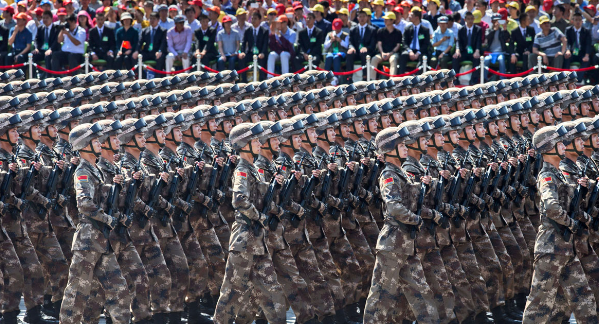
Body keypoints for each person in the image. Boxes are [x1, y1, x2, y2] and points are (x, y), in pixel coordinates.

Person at [363, 125, 440, 324]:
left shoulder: (401, 173)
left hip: (407, 244)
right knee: (381, 297)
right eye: (401, 145)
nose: (406, 148)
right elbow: (394, 207)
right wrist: (416, 220)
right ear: (390, 150)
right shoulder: (388, 175)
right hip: (392, 245)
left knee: (422, 294)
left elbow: (412, 202)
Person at [522, 125, 598, 324]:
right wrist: (572, 224)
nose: (564, 146)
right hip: (550, 249)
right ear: (549, 148)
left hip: (566, 249)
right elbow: (551, 207)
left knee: (584, 299)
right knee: (539, 303)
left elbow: (572, 204)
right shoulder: (547, 176)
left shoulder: (559, 175)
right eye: (559, 144)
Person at [213, 123, 287, 324]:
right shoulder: (242, 170)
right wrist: (259, 217)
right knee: (231, 294)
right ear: (244, 144)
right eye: (255, 141)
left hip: (258, 242)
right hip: (244, 239)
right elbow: (239, 200)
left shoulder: (254, 169)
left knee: (274, 295)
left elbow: (262, 199)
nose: (259, 144)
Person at [59, 122, 132, 324]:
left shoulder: (95, 169)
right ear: (84, 145)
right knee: (76, 296)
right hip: (88, 242)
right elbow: (84, 204)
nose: (99, 143)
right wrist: (108, 219)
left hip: (102, 241)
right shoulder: (83, 171)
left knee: (119, 291)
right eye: (94, 141)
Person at [346, 9, 376, 82]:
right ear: (357, 18)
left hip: (366, 52)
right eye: (360, 16)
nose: (362, 18)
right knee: (350, 54)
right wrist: (352, 47)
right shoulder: (353, 30)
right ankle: (349, 77)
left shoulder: (372, 30)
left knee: (364, 53)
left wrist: (367, 48)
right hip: (356, 51)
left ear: (367, 17)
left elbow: (373, 44)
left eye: (364, 16)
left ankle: (365, 76)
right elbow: (350, 41)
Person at [453, 11, 482, 84]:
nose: (470, 21)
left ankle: (473, 80)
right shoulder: (461, 29)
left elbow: (479, 41)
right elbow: (458, 41)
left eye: (472, 19)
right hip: (464, 52)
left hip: (474, 51)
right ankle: (455, 79)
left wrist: (477, 51)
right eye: (468, 19)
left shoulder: (478, 29)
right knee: (455, 58)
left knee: (477, 58)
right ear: (465, 19)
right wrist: (457, 50)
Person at [399, 8, 431, 74]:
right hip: (409, 51)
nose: (409, 17)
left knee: (423, 58)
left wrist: (418, 53)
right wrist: (409, 51)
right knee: (403, 55)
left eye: (411, 15)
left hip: (420, 51)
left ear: (417, 17)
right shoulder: (407, 29)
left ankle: (417, 78)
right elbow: (404, 42)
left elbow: (426, 44)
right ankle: (401, 77)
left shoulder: (425, 30)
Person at [371, 12, 402, 79]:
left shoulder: (398, 32)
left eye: (387, 19)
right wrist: (382, 53)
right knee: (374, 59)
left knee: (393, 59)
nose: (385, 21)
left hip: (393, 53)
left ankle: (392, 81)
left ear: (392, 20)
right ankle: (371, 81)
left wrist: (390, 54)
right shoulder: (380, 31)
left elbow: (398, 45)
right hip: (382, 53)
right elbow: (379, 44)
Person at [240, 11, 269, 81]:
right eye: (252, 18)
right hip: (250, 53)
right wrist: (242, 52)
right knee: (242, 59)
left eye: (255, 18)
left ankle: (261, 80)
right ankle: (244, 80)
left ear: (260, 20)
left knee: (262, 60)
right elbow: (243, 42)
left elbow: (265, 44)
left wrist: (263, 53)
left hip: (260, 53)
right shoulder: (248, 30)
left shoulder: (264, 31)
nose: (253, 20)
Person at [564, 12, 592, 83]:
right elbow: (567, 42)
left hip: (582, 52)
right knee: (566, 57)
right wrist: (567, 50)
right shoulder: (568, 30)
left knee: (586, 60)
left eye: (579, 20)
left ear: (582, 21)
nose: (578, 22)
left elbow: (588, 44)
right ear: (572, 21)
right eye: (576, 20)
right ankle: (566, 78)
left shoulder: (586, 31)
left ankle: (578, 79)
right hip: (572, 52)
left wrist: (586, 55)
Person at [483, 13, 510, 80]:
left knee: (501, 59)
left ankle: (502, 79)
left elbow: (507, 38)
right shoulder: (489, 30)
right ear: (492, 21)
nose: (497, 22)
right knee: (486, 60)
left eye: (498, 21)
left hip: (501, 52)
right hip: (490, 52)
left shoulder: (502, 30)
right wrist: (494, 30)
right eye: (495, 21)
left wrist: (505, 29)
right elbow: (487, 37)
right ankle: (484, 78)